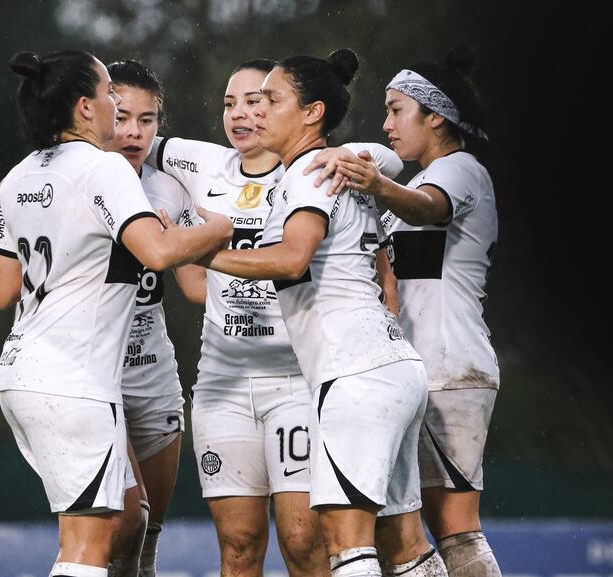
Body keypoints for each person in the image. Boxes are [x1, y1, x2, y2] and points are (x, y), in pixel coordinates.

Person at [184, 49, 448, 577]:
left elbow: (291, 257)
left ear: (312, 113)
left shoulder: (305, 173)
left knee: (344, 544)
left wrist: (199, 253)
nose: (258, 112)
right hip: (393, 367)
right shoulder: (331, 162)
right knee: (406, 545)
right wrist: (357, 152)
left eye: (271, 100)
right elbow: (391, 158)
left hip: (353, 375)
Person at [0, 50, 232, 577]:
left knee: (127, 524)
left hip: (22, 370)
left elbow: (3, 289)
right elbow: (161, 253)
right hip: (73, 378)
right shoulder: (104, 168)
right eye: (109, 95)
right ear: (84, 107)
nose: (116, 105)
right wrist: (218, 230)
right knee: (87, 545)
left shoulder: (17, 176)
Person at [304, 46, 501, 577]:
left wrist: (377, 185)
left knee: (456, 530)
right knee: (404, 531)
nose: (387, 124)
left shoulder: (460, 170)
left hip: (450, 363)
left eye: (396, 110)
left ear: (434, 115)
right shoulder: (413, 180)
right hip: (414, 367)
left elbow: (429, 208)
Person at [103, 59, 200, 577]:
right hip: (95, 372)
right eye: (121, 117)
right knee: (123, 521)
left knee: (147, 537)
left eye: (147, 119)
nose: (134, 132)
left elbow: (197, 286)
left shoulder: (168, 188)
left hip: (153, 367)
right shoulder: (77, 180)